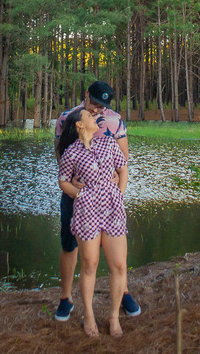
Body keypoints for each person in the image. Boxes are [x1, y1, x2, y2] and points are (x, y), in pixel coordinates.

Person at [53, 81, 140, 323]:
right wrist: (73, 185)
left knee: (116, 250)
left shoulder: (114, 121)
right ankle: (66, 298)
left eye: (102, 107)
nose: (97, 110)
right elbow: (60, 154)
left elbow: (124, 159)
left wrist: (116, 184)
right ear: (85, 96)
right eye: (93, 104)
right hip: (77, 195)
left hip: (107, 195)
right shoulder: (66, 117)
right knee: (70, 244)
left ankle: (123, 293)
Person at [57, 106, 129, 337]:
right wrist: (79, 194)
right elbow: (63, 181)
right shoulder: (71, 153)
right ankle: (88, 315)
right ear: (79, 125)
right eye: (89, 116)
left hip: (112, 210)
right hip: (87, 212)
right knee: (89, 265)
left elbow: (123, 167)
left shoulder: (108, 143)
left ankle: (114, 317)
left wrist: (120, 192)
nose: (95, 116)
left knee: (118, 264)